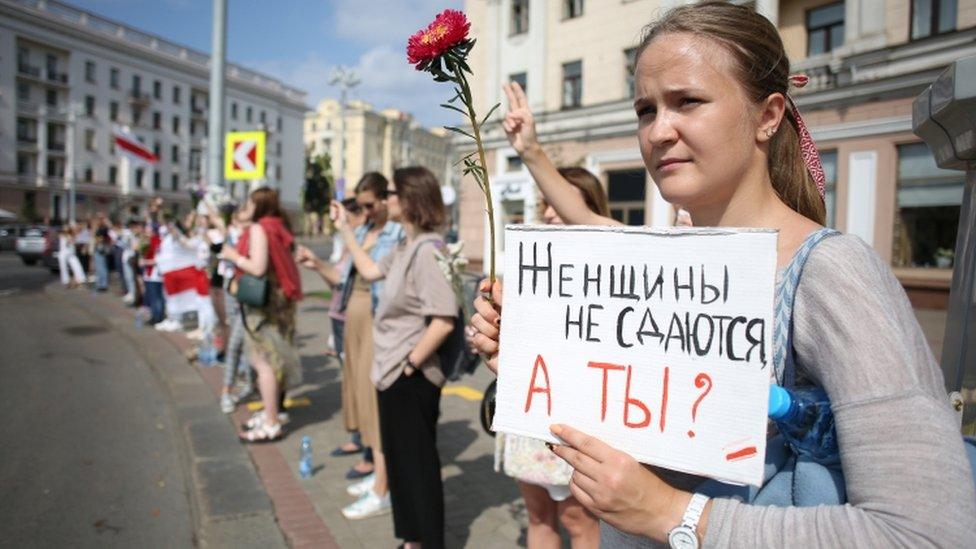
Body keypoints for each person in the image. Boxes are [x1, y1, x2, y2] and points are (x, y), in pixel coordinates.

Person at [469, 3, 976, 547]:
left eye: (688, 101)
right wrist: (538, 367)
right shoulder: (663, 269)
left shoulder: (831, 272)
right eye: (645, 110)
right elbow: (645, 425)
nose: (659, 131)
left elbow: (929, 530)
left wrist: (674, 514)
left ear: (768, 115)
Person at [333, 166, 457, 548]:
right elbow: (369, 271)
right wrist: (345, 232)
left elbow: (444, 318)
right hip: (390, 373)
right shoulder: (404, 246)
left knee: (417, 468)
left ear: (410, 199)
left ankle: (428, 541)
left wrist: (410, 363)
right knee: (402, 466)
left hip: (410, 377)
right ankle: (411, 539)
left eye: (391, 194)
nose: (386, 201)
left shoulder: (428, 250)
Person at [493, 168, 605, 549]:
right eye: (547, 203)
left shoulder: (608, 267)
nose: (552, 212)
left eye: (562, 202)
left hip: (579, 419)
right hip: (529, 413)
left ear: (591, 209)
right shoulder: (530, 264)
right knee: (538, 516)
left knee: (579, 523)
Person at [220, 187, 302, 442]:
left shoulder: (259, 229)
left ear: (259, 206)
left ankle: (271, 422)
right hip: (281, 302)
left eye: (250, 203)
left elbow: (257, 267)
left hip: (262, 306)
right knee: (274, 361)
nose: (246, 207)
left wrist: (233, 256)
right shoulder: (278, 226)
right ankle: (273, 412)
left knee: (263, 363)